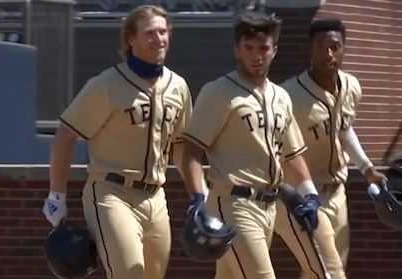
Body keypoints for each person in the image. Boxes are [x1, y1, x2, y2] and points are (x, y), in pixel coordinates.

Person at [41, 5, 193, 279]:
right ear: (131, 39)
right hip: (112, 192)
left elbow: (180, 146)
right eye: (150, 33)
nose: (159, 39)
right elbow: (66, 134)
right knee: (128, 274)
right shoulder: (107, 84)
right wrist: (57, 194)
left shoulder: (178, 87)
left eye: (163, 32)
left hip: (156, 196)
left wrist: (198, 195)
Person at [181, 11, 320, 279]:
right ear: (237, 50)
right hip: (232, 204)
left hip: (269, 205)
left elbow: (292, 156)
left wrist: (311, 196)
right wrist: (197, 198)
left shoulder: (281, 96)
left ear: (274, 50)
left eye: (264, 48)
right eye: (249, 48)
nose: (257, 55)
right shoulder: (218, 91)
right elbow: (192, 151)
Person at [276, 18, 387, 279]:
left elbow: (343, 128)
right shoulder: (287, 96)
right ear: (309, 50)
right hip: (303, 196)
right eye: (321, 47)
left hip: (337, 192)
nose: (328, 54)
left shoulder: (350, 86)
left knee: (322, 270)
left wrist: (366, 167)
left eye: (335, 46)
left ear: (344, 48)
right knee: (329, 272)